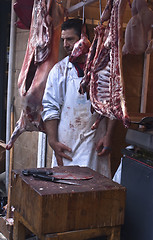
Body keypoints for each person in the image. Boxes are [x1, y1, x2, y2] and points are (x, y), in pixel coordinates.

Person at [41, 18, 116, 179]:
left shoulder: (103, 68)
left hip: (96, 142)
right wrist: (53, 141)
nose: (66, 45)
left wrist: (108, 136)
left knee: (94, 189)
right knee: (65, 187)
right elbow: (49, 106)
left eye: (70, 39)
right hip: (67, 143)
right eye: (63, 40)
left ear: (84, 39)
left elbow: (112, 105)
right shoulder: (60, 70)